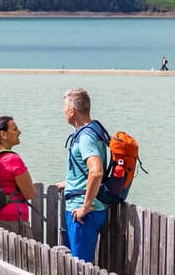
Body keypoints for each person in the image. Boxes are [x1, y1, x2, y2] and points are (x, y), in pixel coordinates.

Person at [57, 88, 108, 263]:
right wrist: (70, 182)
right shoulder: (93, 130)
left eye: (65, 108)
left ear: (72, 111)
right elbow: (88, 171)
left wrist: (85, 207)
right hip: (87, 209)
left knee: (80, 266)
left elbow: (96, 171)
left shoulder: (85, 137)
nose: (64, 111)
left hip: (84, 213)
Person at [0, 115, 35, 236]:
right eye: (15, 129)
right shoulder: (12, 159)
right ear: (3, 134)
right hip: (13, 222)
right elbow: (30, 193)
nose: (19, 132)